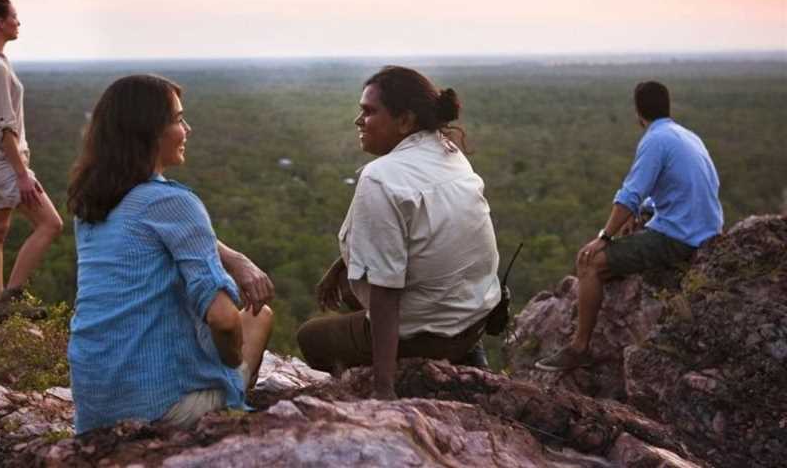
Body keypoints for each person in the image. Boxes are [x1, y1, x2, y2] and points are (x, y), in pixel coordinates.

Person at [67, 74, 274, 434]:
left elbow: (162, 228)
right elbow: (224, 319)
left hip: (94, 409)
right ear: (148, 132)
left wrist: (232, 256)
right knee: (258, 317)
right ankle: (231, 401)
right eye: (178, 120)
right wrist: (229, 364)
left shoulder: (90, 203)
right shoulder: (175, 202)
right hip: (160, 409)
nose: (187, 129)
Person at [297, 66, 502, 399]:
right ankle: (466, 355)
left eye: (369, 111)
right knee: (349, 294)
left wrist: (384, 388)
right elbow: (415, 233)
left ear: (405, 121)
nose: (358, 121)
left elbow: (385, 294)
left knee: (311, 336)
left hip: (430, 334)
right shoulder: (448, 153)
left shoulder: (381, 177)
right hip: (473, 320)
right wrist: (340, 266)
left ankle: (401, 382)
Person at [535, 81, 723, 372]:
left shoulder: (654, 140)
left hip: (681, 238)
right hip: (707, 231)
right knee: (624, 240)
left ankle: (579, 347)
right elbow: (678, 187)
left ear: (639, 113)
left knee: (589, 262)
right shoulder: (687, 136)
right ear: (667, 106)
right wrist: (645, 210)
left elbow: (630, 194)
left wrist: (604, 236)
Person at [0, 0, 63, 317]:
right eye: (14, 17)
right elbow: (5, 129)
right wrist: (22, 174)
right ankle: (12, 300)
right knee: (50, 224)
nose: (18, 23)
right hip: (3, 161)